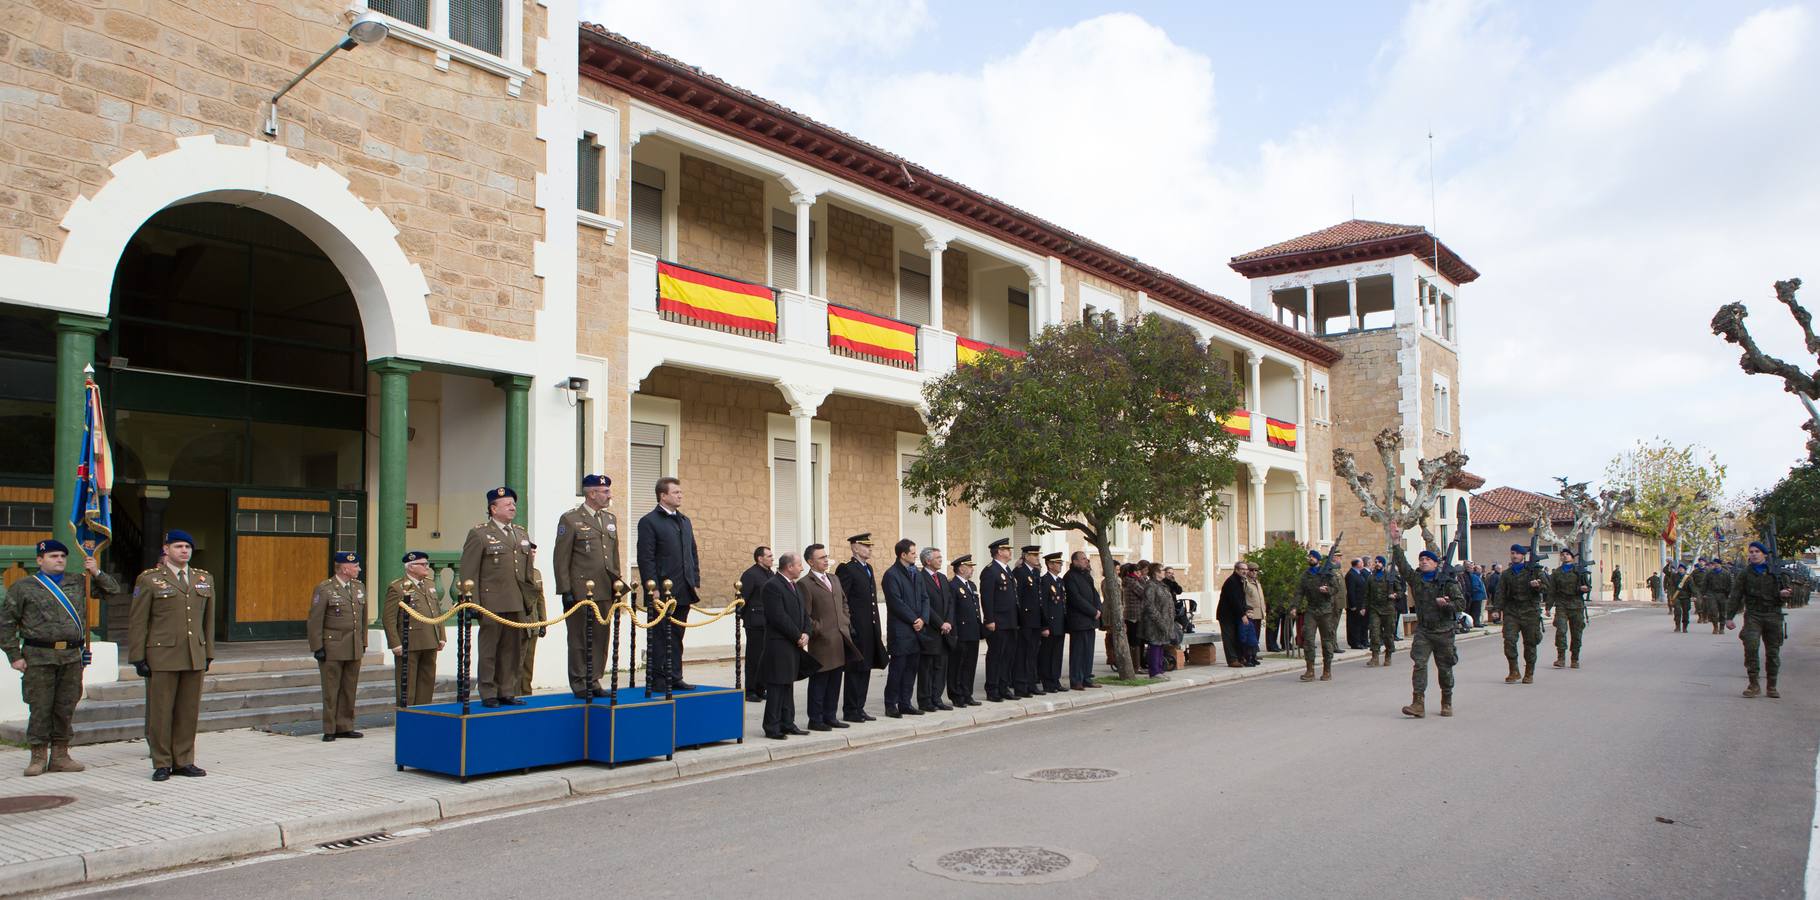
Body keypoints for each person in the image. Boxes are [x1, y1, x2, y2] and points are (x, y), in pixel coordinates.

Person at [2, 539, 118, 776]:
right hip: (38, 656)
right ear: (40, 560)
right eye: (53, 556)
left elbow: (112, 591)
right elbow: (6, 623)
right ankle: (37, 756)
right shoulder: (23, 587)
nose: (59, 560)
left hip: (71, 657)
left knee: (65, 707)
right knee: (40, 707)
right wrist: (14, 655)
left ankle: (60, 755)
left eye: (62, 557)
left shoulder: (78, 581)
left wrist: (95, 570)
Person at [129, 530, 213, 781]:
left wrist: (208, 652)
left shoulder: (203, 578)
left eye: (188, 546)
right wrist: (138, 657)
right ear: (166, 549)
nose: (184, 551)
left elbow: (207, 620)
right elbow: (138, 620)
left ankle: (184, 760)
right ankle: (162, 762)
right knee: (161, 711)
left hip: (193, 654)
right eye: (178, 546)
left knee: (188, 711)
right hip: (162, 655)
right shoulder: (150, 580)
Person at [459, 487, 531, 706]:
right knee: (490, 650)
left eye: (513, 504)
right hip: (491, 602)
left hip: (516, 600)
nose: (512, 507)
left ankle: (506, 689)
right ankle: (488, 691)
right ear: (493, 508)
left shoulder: (520, 533)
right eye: (507, 504)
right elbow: (469, 571)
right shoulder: (480, 534)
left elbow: (526, 571)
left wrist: (528, 600)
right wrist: (471, 602)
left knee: (512, 649)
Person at [552, 473, 620, 699]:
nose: (609, 495)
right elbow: (561, 557)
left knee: (601, 637)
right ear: (592, 493)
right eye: (605, 491)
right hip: (581, 590)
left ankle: (594, 679)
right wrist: (565, 590)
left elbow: (614, 555)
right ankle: (580, 681)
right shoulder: (571, 519)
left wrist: (617, 583)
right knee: (580, 638)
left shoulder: (609, 519)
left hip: (604, 588)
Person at [636, 476, 700, 691]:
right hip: (661, 590)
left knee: (677, 635)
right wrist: (651, 587)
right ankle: (658, 678)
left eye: (680, 492)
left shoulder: (684, 521)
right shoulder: (649, 521)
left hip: (683, 588)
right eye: (675, 492)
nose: (680, 495)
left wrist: (695, 579)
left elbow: (692, 552)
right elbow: (646, 557)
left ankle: (675, 676)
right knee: (660, 636)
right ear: (663, 495)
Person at [1392, 545, 1463, 718]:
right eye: (1421, 560)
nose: (1424, 562)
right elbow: (1403, 566)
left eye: (1428, 560)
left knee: (1445, 668)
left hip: (1444, 631)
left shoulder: (1448, 582)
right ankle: (1418, 703)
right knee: (1419, 664)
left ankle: (1446, 701)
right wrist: (1396, 544)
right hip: (1424, 631)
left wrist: (1446, 604)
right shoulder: (1417, 579)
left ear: (1435, 563)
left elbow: (1461, 604)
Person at [308, 551, 368, 741]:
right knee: (331, 690)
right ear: (344, 568)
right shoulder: (325, 588)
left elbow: (363, 619)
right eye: (355, 566)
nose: (358, 569)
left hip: (353, 646)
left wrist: (363, 642)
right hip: (332, 646)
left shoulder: (359, 587)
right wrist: (317, 646)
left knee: (349, 688)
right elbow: (314, 620)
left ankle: (345, 725)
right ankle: (330, 728)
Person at [1726, 541, 1794, 698]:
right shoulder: (1745, 574)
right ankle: (1753, 684)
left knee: (1773, 652)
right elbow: (1736, 595)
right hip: (1753, 615)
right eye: (1751, 551)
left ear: (1764, 554)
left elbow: (1788, 592)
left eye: (1757, 551)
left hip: (1773, 615)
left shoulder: (1776, 573)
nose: (1754, 554)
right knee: (1751, 647)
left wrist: (1785, 593)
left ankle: (1772, 685)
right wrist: (1728, 617)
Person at [798, 543, 852, 731]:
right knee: (820, 681)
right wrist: (818, 628)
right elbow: (805, 614)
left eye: (826, 556)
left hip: (839, 638)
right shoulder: (805, 584)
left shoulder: (834, 579)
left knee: (835, 679)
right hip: (821, 641)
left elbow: (844, 602)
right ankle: (816, 719)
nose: (826, 560)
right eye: (821, 558)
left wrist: (844, 621)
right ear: (810, 562)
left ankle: (830, 716)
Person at [383, 550, 444, 707]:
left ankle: (423, 714)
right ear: (410, 567)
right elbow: (389, 618)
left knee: (427, 681)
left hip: (430, 639)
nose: (427, 567)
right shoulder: (398, 587)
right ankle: (407, 716)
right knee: (407, 684)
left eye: (427, 564)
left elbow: (437, 611)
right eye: (422, 564)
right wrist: (395, 643)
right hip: (409, 641)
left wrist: (441, 636)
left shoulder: (430, 584)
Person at [759, 552, 809, 739]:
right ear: (789, 567)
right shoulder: (772, 586)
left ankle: (788, 723)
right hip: (779, 645)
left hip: (794, 643)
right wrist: (797, 635)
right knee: (777, 686)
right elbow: (778, 617)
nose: (801, 568)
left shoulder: (794, 585)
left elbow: (804, 613)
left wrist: (806, 633)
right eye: (799, 565)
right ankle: (772, 726)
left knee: (788, 685)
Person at [836, 534, 884, 722]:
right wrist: (849, 627)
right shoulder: (847, 569)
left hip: (869, 628)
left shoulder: (868, 568)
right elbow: (842, 599)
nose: (869, 549)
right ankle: (850, 709)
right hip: (857, 628)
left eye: (870, 546)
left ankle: (859, 707)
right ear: (855, 548)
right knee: (855, 669)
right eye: (865, 546)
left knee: (865, 669)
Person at [880, 539, 927, 717]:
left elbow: (925, 598)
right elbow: (895, 602)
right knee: (897, 669)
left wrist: (923, 618)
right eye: (913, 553)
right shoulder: (891, 575)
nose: (916, 556)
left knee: (911, 669)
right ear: (903, 555)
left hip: (917, 629)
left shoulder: (917, 573)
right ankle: (891, 704)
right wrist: (914, 619)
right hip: (901, 630)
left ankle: (905, 703)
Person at [1490, 544, 1546, 684]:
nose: (1514, 556)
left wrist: (1537, 586)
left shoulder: (1534, 571)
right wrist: (1497, 610)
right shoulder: (1506, 574)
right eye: (1512, 553)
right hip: (1512, 611)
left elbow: (1547, 588)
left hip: (1530, 611)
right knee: (1509, 640)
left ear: (1523, 556)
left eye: (1517, 553)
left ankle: (1529, 672)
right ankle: (1513, 671)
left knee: (1530, 643)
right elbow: (1500, 592)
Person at [1294, 549, 1345, 682]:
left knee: (1327, 640)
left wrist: (1327, 590)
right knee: (1308, 640)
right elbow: (1299, 592)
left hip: (1326, 611)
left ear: (1318, 560)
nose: (1310, 558)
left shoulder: (1327, 573)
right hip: (1311, 610)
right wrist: (1294, 606)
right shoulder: (1305, 575)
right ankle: (1310, 670)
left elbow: (1336, 588)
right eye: (1309, 556)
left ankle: (1327, 670)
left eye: (1313, 557)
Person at [979, 538, 1018, 702]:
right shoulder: (990, 570)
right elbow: (987, 598)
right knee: (996, 655)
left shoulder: (1007, 569)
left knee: (1008, 656)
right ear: (999, 552)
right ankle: (992, 689)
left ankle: (1004, 687)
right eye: (1007, 549)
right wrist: (989, 619)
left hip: (1010, 620)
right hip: (998, 621)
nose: (1010, 552)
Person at [915, 547, 954, 712]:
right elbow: (925, 605)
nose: (940, 560)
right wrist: (940, 623)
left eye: (941, 557)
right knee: (927, 668)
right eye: (937, 557)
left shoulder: (943, 578)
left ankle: (937, 697)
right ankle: (925, 700)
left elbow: (950, 602)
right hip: (930, 629)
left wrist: (949, 622)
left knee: (941, 667)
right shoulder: (920, 578)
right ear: (927, 561)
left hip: (945, 630)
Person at [738, 546, 774, 703]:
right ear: (760, 558)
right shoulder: (750, 574)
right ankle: (750, 690)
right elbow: (742, 599)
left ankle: (761, 688)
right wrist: (744, 616)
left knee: (765, 657)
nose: (772, 558)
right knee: (754, 657)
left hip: (768, 622)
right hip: (755, 622)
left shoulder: (770, 574)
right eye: (769, 556)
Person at [947, 555, 984, 705]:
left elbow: (975, 609)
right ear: (961, 568)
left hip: (973, 631)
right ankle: (956, 695)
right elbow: (952, 610)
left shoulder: (972, 586)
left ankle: (967, 693)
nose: (972, 569)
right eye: (969, 567)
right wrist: (954, 632)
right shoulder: (953, 585)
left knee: (970, 664)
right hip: (960, 632)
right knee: (957, 665)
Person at [1546, 547, 1591, 669]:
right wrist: (1548, 607)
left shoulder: (1579, 571)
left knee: (1576, 633)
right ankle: (1561, 658)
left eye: (1567, 554)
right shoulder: (1556, 573)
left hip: (1576, 605)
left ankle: (1575, 658)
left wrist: (1584, 589)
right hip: (1562, 604)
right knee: (1561, 631)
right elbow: (1552, 591)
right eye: (1563, 554)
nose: (1565, 556)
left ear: (1572, 557)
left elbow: (1587, 586)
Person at [1062, 551, 1101, 688]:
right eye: (1083, 559)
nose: (1086, 561)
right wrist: (1092, 611)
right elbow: (1075, 598)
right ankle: (1076, 680)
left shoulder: (1086, 576)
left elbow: (1095, 594)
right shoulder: (1070, 577)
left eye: (1087, 559)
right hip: (1079, 620)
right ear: (1075, 561)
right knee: (1078, 651)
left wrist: (1098, 609)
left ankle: (1086, 677)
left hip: (1090, 620)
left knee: (1088, 651)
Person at [1012, 545, 1043, 697]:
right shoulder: (1019, 572)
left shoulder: (1036, 572)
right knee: (1022, 654)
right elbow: (1018, 598)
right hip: (1025, 619)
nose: (1037, 557)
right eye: (1034, 555)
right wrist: (1020, 619)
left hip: (1036, 619)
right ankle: (1021, 685)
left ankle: (1031, 683)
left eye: (1038, 554)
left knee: (1033, 653)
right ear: (1025, 556)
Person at [517, 544, 547, 697]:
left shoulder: (536, 574)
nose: (533, 554)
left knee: (529, 662)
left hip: (534, 623)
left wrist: (543, 622)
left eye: (535, 552)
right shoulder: (517, 573)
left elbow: (540, 599)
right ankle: (514, 693)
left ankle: (526, 693)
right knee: (516, 662)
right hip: (518, 623)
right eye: (530, 551)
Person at [1138, 563, 1174, 677]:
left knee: (1160, 645)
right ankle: (1154, 671)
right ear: (1156, 572)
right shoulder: (1151, 586)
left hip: (1164, 621)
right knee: (1154, 645)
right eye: (1162, 570)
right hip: (1154, 622)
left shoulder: (1162, 585)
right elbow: (1149, 606)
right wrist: (1159, 620)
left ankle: (1159, 670)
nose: (1164, 572)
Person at [1365, 556, 1399, 667]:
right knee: (1374, 633)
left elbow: (1400, 591)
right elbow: (1367, 593)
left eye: (1379, 562)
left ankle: (1388, 655)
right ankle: (1375, 657)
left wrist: (1395, 595)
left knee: (1388, 634)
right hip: (1375, 609)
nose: (1377, 564)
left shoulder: (1390, 577)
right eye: (1376, 562)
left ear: (1383, 564)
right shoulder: (1371, 577)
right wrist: (1363, 607)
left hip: (1388, 609)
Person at [1215, 564, 1248, 668]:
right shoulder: (1232, 581)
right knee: (1229, 638)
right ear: (1236, 570)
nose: (1245, 571)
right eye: (1242, 569)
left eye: (1246, 569)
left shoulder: (1240, 580)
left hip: (1234, 615)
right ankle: (1232, 659)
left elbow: (1241, 600)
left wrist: (1245, 611)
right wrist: (1242, 614)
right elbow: (1234, 600)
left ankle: (1239, 657)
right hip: (1226, 615)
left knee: (1237, 636)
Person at [1700, 557, 1733, 635]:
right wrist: (1703, 593)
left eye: (1717, 564)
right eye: (1714, 564)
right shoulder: (1709, 573)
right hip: (1712, 594)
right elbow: (1705, 583)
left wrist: (1730, 594)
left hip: (1723, 594)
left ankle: (1721, 628)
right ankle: (1715, 627)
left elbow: (1730, 584)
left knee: (1723, 612)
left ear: (1720, 564)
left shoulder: (1726, 573)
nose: (1716, 565)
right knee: (1713, 611)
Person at [1241, 563, 1266, 666]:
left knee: (1256, 636)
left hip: (1259, 613)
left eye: (1256, 570)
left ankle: (1254, 655)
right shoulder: (1246, 583)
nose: (1254, 572)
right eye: (1252, 570)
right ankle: (1248, 657)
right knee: (1250, 637)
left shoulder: (1257, 583)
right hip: (1250, 614)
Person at [1344, 559, 1370, 649]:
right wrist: (1353, 605)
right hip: (1355, 604)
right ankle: (1355, 642)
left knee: (1361, 623)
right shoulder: (1351, 574)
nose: (1363, 564)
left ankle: (1362, 641)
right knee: (1354, 624)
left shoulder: (1359, 573)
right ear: (1357, 564)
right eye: (1361, 562)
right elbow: (1351, 591)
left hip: (1361, 603)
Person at [1670, 564, 1695, 633]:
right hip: (1676, 596)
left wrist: (1693, 595)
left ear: (1684, 570)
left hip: (1686, 597)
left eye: (1682, 568)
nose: (1680, 569)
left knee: (1685, 612)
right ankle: (1677, 626)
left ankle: (1685, 627)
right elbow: (1671, 586)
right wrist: (1671, 596)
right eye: (1679, 568)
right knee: (1677, 611)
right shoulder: (1674, 576)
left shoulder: (1688, 577)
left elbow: (1692, 587)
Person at [1466, 563, 1487, 628]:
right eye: (1480, 569)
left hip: (1480, 596)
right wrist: (1481, 590)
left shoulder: (1478, 577)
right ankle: (1476, 622)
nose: (1481, 570)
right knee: (1476, 610)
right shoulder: (1474, 577)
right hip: (1477, 597)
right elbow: (1475, 587)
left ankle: (1478, 621)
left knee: (1479, 610)